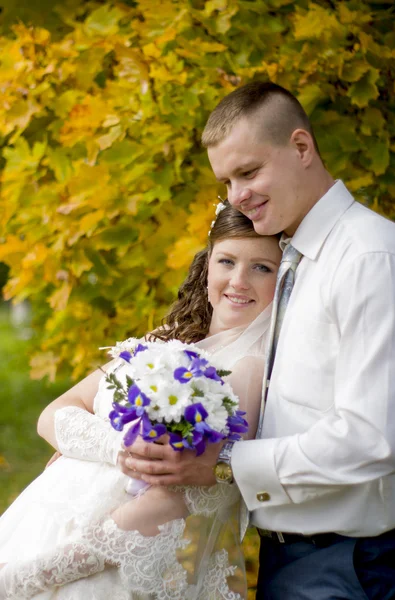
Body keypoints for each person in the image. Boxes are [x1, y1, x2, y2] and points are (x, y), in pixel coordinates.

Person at [122, 81, 395, 599]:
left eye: (248, 172)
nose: (237, 195)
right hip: (288, 556)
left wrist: (224, 462)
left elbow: (373, 437)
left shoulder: (368, 257)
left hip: (347, 563)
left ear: (301, 147)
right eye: (227, 180)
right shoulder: (293, 256)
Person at [0, 202, 282, 599]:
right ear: (207, 264)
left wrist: (34, 574)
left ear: (283, 278)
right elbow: (53, 413)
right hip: (44, 520)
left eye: (261, 268)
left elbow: (175, 499)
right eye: (227, 260)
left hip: (92, 562)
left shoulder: (246, 370)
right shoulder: (168, 336)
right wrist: (114, 448)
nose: (238, 280)